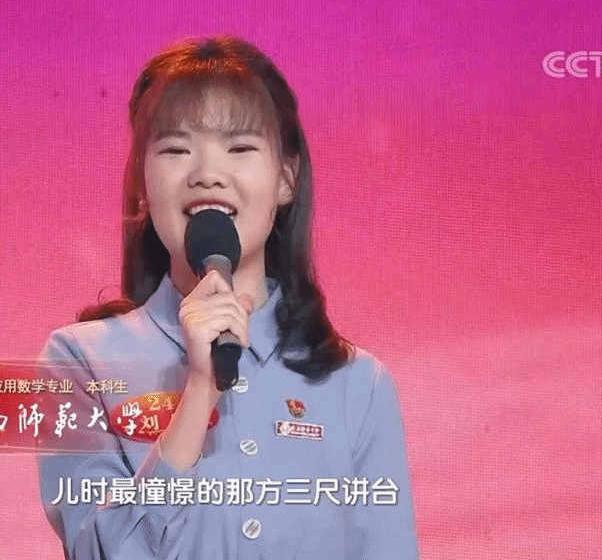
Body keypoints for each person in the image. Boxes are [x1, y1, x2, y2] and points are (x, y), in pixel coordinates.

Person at [37, 35, 418, 559]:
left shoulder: (356, 384)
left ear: (286, 179)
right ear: (143, 183)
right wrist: (200, 390)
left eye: (239, 148)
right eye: (176, 149)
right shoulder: (81, 362)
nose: (207, 175)